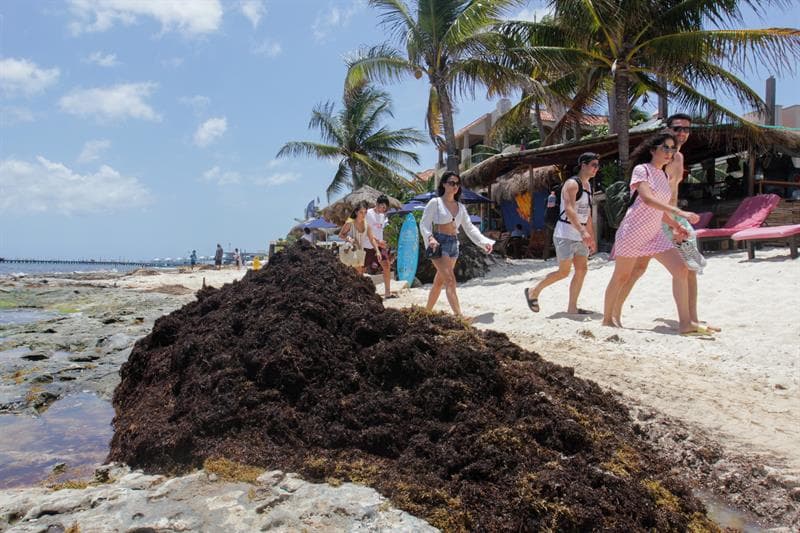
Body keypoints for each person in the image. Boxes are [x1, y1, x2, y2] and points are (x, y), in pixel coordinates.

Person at [612, 114, 720, 333]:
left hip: (674, 217)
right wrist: (673, 216)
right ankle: (614, 313)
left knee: (689, 266)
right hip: (660, 217)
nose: (682, 133)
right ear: (667, 130)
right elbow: (652, 196)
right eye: (677, 128)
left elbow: (672, 191)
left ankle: (691, 319)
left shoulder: (676, 158)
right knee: (637, 269)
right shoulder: (659, 161)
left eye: (687, 130)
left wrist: (677, 219)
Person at [524, 152, 598, 314]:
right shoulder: (572, 184)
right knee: (563, 272)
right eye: (593, 165)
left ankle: (572, 308)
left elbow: (588, 215)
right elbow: (570, 209)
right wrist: (582, 231)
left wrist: (591, 236)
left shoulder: (589, 186)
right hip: (565, 233)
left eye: (597, 166)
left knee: (582, 270)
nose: (596, 169)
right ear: (583, 165)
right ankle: (533, 291)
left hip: (581, 234)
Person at [420, 171, 494, 319]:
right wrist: (430, 239)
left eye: (457, 184)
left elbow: (469, 228)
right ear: (443, 184)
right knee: (450, 280)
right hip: (439, 245)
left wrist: (484, 242)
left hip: (454, 244)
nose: (455, 186)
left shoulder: (460, 206)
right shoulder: (435, 203)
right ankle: (459, 316)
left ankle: (426, 313)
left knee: (439, 282)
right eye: (451, 183)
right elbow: (424, 224)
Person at [365, 195, 395, 299]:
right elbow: (364, 231)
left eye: (385, 208)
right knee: (361, 270)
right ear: (376, 204)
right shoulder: (367, 213)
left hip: (380, 247)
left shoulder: (382, 216)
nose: (383, 210)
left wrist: (383, 243)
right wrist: (378, 241)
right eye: (382, 207)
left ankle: (387, 293)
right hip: (367, 246)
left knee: (386, 266)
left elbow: (379, 231)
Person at [338, 202, 380, 276]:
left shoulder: (367, 225)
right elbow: (341, 235)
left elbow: (371, 239)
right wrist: (348, 238)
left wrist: (377, 251)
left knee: (359, 274)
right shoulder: (350, 222)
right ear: (356, 212)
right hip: (350, 251)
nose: (363, 215)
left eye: (365, 212)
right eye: (361, 212)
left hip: (360, 252)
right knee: (357, 272)